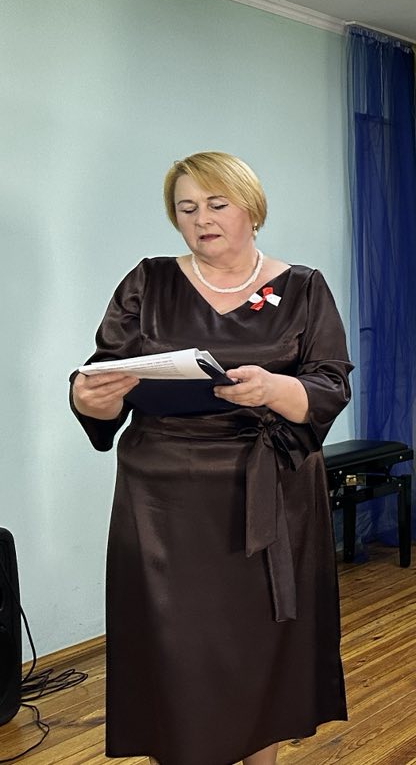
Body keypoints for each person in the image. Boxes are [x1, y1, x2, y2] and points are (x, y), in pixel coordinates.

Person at [69, 152, 352, 765]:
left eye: (216, 204)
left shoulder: (303, 287)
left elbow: (330, 384)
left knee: (260, 643)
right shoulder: (147, 282)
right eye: (187, 208)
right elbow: (104, 377)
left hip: (270, 491)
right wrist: (89, 398)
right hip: (162, 499)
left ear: (251, 208)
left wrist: (274, 388)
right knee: (173, 646)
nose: (202, 219)